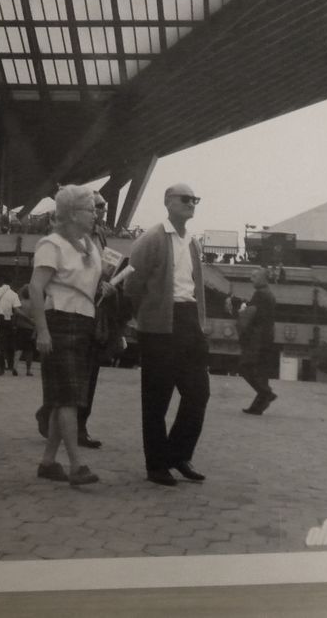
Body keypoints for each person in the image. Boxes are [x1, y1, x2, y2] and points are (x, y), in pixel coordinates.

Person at [123, 182, 210, 486]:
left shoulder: (193, 243)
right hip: (160, 323)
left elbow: (195, 286)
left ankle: (178, 454)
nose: (192, 204)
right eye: (186, 199)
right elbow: (132, 282)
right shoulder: (152, 238)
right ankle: (156, 465)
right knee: (156, 398)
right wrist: (141, 316)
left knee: (199, 393)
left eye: (195, 199)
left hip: (189, 321)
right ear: (168, 202)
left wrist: (200, 322)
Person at [30, 185, 105, 487]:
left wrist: (103, 289)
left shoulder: (90, 245)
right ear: (72, 214)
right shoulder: (52, 244)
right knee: (68, 398)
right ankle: (76, 465)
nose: (95, 214)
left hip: (84, 322)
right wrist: (42, 331)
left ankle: (48, 462)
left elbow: (87, 283)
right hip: (60, 321)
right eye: (90, 209)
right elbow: (36, 289)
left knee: (66, 397)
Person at [238, 267, 278, 414]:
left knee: (245, 367)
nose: (251, 279)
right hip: (267, 337)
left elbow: (251, 315)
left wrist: (242, 311)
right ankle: (258, 406)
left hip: (257, 338)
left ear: (262, 278)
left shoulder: (260, 294)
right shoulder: (269, 294)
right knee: (261, 372)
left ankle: (266, 393)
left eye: (254, 276)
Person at [0, 280, 21, 375]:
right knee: (7, 342)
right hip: (7, 320)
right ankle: (9, 365)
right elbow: (17, 310)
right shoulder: (14, 294)